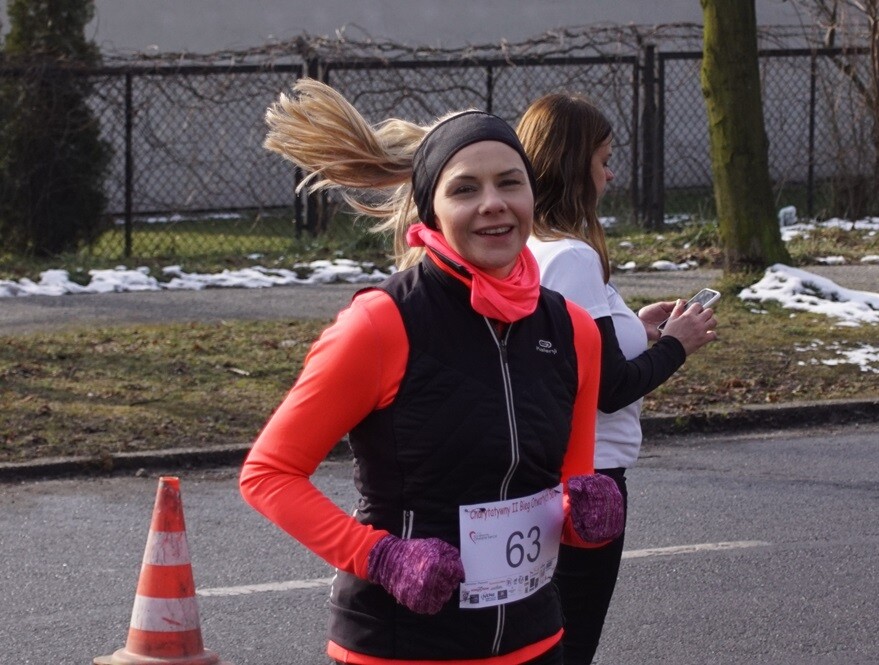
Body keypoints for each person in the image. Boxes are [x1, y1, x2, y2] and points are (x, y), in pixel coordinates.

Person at [239, 79, 625, 665]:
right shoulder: (381, 324)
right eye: (465, 189)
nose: (492, 203)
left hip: (535, 641)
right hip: (401, 646)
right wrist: (382, 557)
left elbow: (566, 486)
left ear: (533, 195)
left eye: (510, 182)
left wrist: (584, 513)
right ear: (432, 212)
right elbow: (269, 474)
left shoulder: (573, 329)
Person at [516, 92, 718, 665]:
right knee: (569, 645)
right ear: (572, 164)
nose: (610, 174)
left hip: (538, 470)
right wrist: (678, 345)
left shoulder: (528, 245)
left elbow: (566, 353)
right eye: (603, 160)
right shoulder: (573, 256)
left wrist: (637, 327)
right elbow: (609, 388)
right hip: (590, 477)